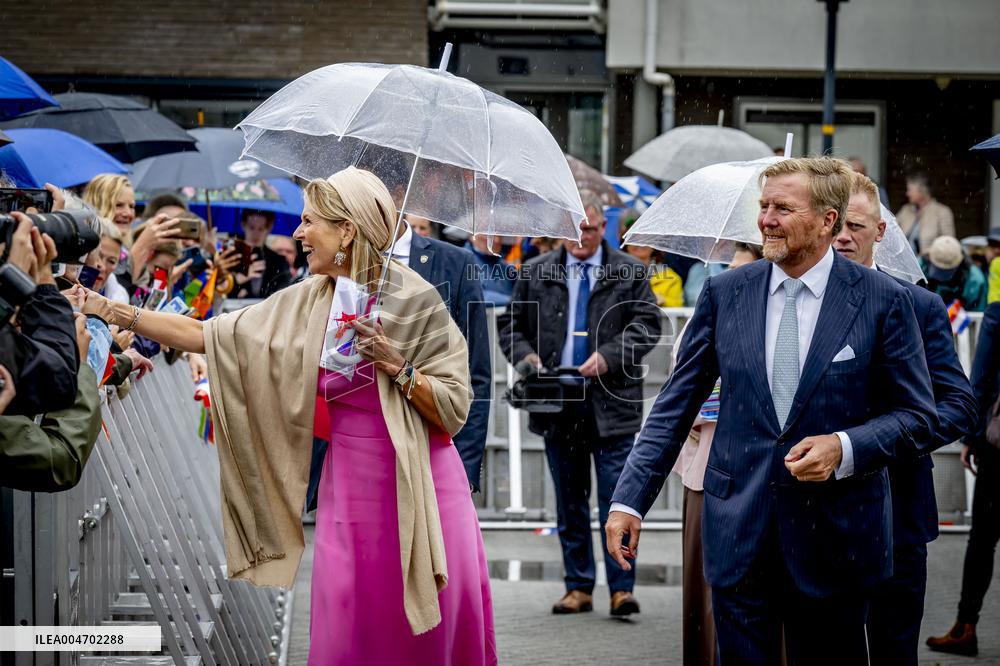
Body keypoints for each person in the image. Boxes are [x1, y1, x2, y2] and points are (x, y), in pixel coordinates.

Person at [86, 167, 496, 665]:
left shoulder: (416, 301)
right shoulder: (307, 299)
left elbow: (455, 406)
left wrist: (399, 367)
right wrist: (109, 308)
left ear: (346, 230)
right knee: (350, 625)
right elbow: (207, 335)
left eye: (309, 222)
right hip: (348, 494)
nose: (298, 233)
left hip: (422, 488)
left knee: (420, 640)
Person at [606, 157, 937, 665]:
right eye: (764, 207)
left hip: (837, 544)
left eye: (783, 208)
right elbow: (675, 404)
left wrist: (845, 446)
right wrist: (629, 500)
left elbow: (917, 416)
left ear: (828, 221)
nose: (766, 220)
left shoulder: (883, 300)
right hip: (739, 534)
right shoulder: (724, 294)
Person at [497, 189, 661, 617]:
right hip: (557, 403)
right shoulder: (535, 271)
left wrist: (609, 356)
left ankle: (621, 588)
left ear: (603, 227)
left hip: (612, 404)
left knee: (617, 501)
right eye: (572, 230)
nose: (580, 238)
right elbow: (510, 326)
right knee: (569, 501)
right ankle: (579, 586)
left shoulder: (629, 271)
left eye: (588, 229)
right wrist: (527, 360)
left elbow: (647, 325)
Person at [835, 172, 977, 664]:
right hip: (818, 519)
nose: (842, 236)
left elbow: (959, 404)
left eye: (856, 225)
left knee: (895, 652)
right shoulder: (791, 305)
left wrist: (883, 437)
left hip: (898, 510)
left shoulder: (919, 306)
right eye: (834, 223)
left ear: (881, 232)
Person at [673, 240, 762, 666]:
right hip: (707, 470)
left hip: (766, 476)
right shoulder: (712, 315)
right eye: (729, 269)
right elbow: (679, 393)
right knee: (704, 599)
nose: (733, 280)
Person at [925, 299, 1000, 657]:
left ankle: (965, 625)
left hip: (997, 450)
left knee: (983, 538)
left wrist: (970, 439)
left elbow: (981, 378)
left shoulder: (998, 313)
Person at [235, 209, 292, 298]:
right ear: (243, 225)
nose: (255, 234)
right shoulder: (232, 257)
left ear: (269, 229)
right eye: (251, 227)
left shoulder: (279, 261)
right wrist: (237, 281)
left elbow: (283, 292)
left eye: (261, 229)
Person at [921, 235, 988, 311]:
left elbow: (977, 314)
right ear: (929, 257)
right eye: (939, 269)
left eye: (946, 271)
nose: (942, 278)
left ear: (959, 263)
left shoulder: (975, 280)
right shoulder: (919, 267)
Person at [896, 172, 955, 256]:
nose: (907, 194)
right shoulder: (906, 210)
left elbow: (949, 243)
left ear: (922, 191)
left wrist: (928, 255)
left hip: (929, 264)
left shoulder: (942, 212)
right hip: (903, 261)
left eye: (910, 190)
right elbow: (891, 231)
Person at [465, 232, 514, 307]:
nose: (497, 240)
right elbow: (473, 295)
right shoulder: (462, 261)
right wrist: (513, 300)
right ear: (473, 236)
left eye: (499, 235)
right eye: (489, 235)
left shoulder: (505, 266)